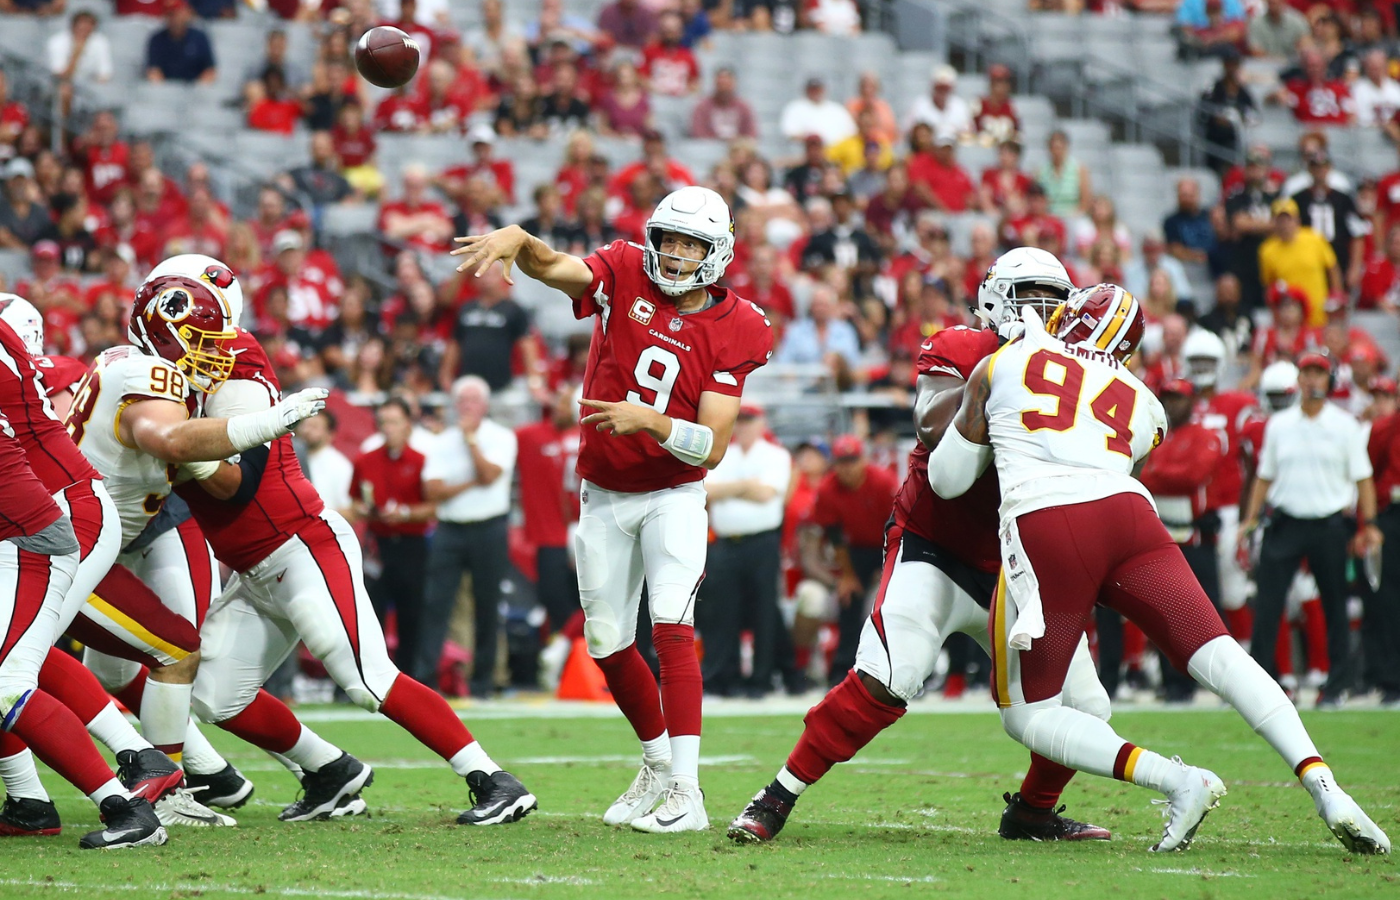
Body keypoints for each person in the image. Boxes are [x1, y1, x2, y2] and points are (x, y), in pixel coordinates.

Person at [929, 284, 1389, 855]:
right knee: (1220, 655)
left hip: (1049, 521)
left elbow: (945, 480)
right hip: (1132, 517)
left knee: (1028, 716)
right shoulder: (1144, 400)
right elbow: (1116, 461)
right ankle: (1325, 783)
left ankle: (1176, 779)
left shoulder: (1007, 359)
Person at [730, 248, 1111, 845]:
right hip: (937, 547)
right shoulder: (963, 347)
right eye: (1029, 297)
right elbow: (933, 426)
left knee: (1087, 708)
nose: (1040, 312)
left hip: (1018, 565)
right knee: (889, 676)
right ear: (995, 300)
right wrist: (1007, 372)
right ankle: (778, 793)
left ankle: (1033, 812)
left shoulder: (1078, 372)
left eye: (1052, 302)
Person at [451, 185, 774, 833]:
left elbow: (709, 447)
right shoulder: (626, 268)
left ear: (716, 251)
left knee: (672, 626)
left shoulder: (740, 324)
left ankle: (688, 790)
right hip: (602, 492)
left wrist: (651, 421)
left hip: (673, 493)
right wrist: (523, 239)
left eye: (691, 244)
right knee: (606, 644)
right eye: (670, 240)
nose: (676, 255)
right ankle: (656, 762)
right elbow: (555, 268)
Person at [173, 325, 537, 826]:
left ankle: (493, 780)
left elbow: (236, 488)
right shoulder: (167, 399)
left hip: (301, 546)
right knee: (215, 694)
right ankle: (329, 771)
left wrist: (176, 452)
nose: (197, 353)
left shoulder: (240, 378)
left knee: (367, 678)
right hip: (253, 569)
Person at [1239, 353, 1380, 707]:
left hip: (1329, 523)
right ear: (1298, 381)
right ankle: (1259, 684)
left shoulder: (1345, 425)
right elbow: (1264, 477)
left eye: (1318, 374)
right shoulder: (1280, 424)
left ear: (1330, 380)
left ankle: (1336, 685)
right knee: (1269, 604)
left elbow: (1363, 480)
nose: (1312, 381)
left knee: (1334, 605)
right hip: (1285, 521)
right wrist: (1250, 518)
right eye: (1306, 374)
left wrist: (1370, 524)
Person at [417, 376, 517, 698]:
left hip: (489, 526)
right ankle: (426, 677)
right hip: (450, 528)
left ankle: (483, 682)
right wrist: (470, 483)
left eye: (473, 400)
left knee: (487, 604)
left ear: (485, 405)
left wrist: (472, 441)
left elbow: (490, 475)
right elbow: (432, 490)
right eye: (462, 400)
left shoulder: (502, 437)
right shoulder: (442, 441)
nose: (467, 406)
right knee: (435, 603)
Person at [1136, 378, 1224, 702]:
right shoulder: (1156, 436)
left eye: (1179, 398)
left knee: (1208, 608)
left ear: (1192, 402)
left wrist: (1156, 475)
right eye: (1168, 398)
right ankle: (1174, 681)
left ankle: (1221, 681)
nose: (1173, 404)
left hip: (1195, 534)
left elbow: (1194, 475)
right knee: (1163, 612)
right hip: (1162, 533)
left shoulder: (1205, 436)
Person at [698, 403, 792, 698]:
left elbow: (767, 493)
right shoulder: (723, 453)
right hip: (726, 543)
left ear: (761, 423)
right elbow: (705, 489)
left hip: (762, 541)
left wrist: (729, 489)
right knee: (722, 612)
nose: (744, 427)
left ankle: (760, 680)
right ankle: (723, 677)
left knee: (764, 610)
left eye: (750, 421)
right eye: (740, 421)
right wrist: (745, 486)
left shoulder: (776, 455)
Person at [352, 397, 434, 663]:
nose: (388, 428)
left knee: (411, 612)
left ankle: (410, 676)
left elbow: (434, 506)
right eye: (384, 422)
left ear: (408, 425)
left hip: (411, 543)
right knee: (370, 611)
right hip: (379, 544)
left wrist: (406, 514)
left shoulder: (421, 460)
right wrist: (365, 510)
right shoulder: (366, 460)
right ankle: (373, 671)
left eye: (394, 422)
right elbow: (354, 499)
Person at [514, 388, 582, 688]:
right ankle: (567, 653)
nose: (560, 405)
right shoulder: (531, 436)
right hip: (551, 533)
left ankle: (563, 651)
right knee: (554, 598)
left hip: (591, 530)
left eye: (568, 401)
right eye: (559, 399)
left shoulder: (591, 435)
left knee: (596, 599)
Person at [1258, 197, 1339, 328]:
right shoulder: (1267, 250)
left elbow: (1332, 269)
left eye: (1288, 219)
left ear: (1297, 220)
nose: (1284, 224)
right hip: (1291, 320)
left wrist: (1336, 299)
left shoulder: (1314, 238)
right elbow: (1269, 285)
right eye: (1280, 220)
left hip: (1319, 315)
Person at [145, 0, 215, 85]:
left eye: (178, 13)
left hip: (194, 89)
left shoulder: (200, 37)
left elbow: (209, 70)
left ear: (186, 13)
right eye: (170, 14)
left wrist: (200, 88)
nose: (175, 18)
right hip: (167, 88)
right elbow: (153, 70)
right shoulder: (156, 39)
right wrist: (161, 90)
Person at [299, 410, 352, 518]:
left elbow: (349, 510)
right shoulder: (292, 459)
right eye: (305, 426)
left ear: (330, 434)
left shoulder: (340, 465)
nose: (307, 431)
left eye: (315, 427)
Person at [903, 64, 972, 144]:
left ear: (952, 89)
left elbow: (968, 134)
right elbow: (906, 132)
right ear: (932, 87)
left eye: (946, 88)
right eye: (939, 88)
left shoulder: (960, 107)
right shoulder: (919, 106)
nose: (942, 92)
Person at [779, 77, 857, 148]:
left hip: (837, 153)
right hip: (806, 154)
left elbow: (851, 133)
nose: (815, 92)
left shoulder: (837, 109)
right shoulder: (796, 108)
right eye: (812, 89)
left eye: (817, 89)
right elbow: (790, 134)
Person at [689, 67, 758, 141]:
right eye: (721, 84)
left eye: (727, 84)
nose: (724, 88)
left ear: (734, 84)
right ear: (715, 84)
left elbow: (751, 133)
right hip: (709, 148)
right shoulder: (702, 107)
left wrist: (737, 142)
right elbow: (698, 133)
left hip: (737, 149)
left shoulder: (744, 107)